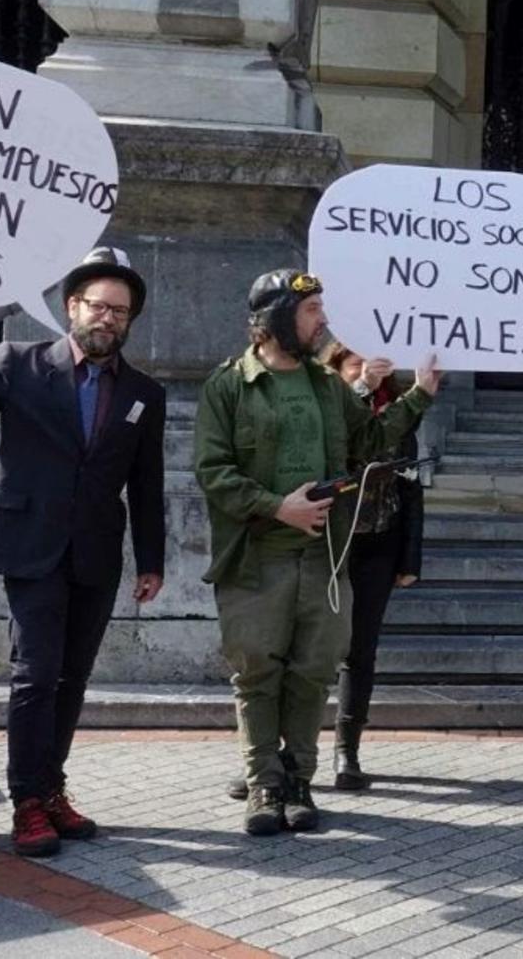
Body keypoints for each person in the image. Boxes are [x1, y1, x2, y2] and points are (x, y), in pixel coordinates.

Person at [0, 247, 165, 857]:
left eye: (120, 312)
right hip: (30, 546)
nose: (108, 319)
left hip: (97, 553)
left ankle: (52, 790)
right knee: (35, 674)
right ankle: (27, 802)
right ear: (73, 306)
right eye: (99, 306)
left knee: (73, 678)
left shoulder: (142, 392)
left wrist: (153, 560)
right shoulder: (19, 361)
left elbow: (147, 482)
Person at [193, 270, 440, 837]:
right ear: (276, 316)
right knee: (257, 675)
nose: (322, 320)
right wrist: (279, 507)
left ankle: (300, 781)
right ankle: (264, 785)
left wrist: (420, 393)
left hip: (325, 562)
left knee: (311, 674)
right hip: (255, 561)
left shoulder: (328, 388)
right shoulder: (228, 386)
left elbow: (372, 444)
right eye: (310, 312)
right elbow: (213, 472)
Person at [322, 341, 426, 793]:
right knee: (306, 650)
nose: (368, 370)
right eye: (355, 364)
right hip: (326, 544)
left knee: (359, 650)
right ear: (337, 369)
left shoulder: (401, 416)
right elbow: (338, 437)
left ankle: (348, 748)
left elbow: (412, 488)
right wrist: (361, 387)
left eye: (374, 363)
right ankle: (283, 751)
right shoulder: (326, 408)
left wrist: (410, 558)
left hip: (379, 544)